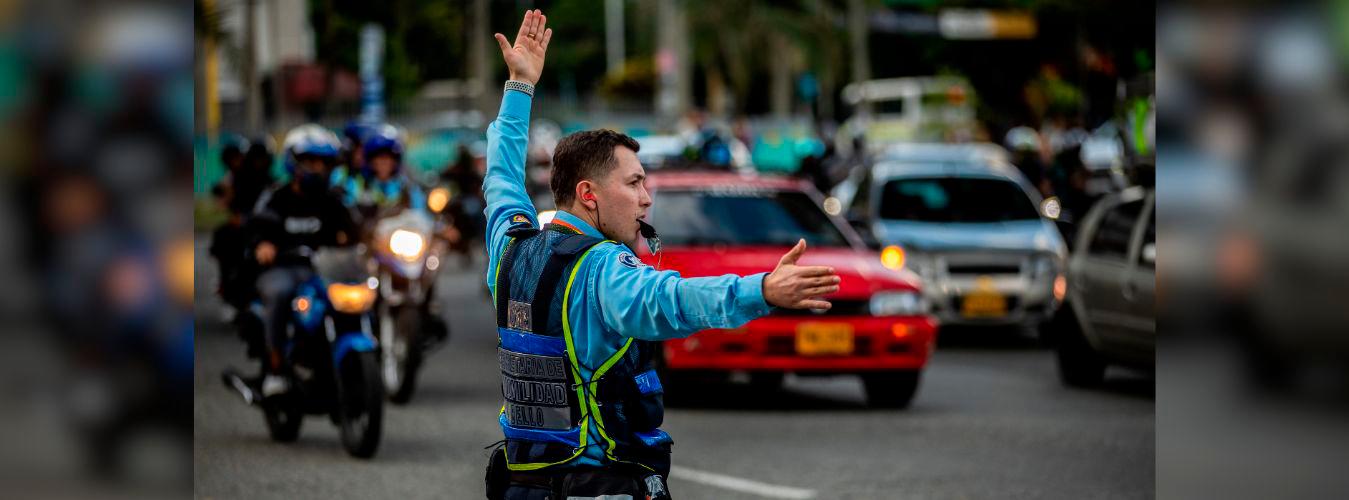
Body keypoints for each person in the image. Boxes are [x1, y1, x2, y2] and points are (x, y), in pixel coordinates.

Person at [481, 10, 840, 500]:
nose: (646, 199)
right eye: (634, 183)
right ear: (588, 194)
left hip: (521, 487)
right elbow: (671, 300)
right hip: (597, 486)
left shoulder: (510, 247)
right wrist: (762, 290)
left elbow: (501, 177)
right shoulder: (602, 267)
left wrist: (520, 87)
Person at [246, 124, 358, 397]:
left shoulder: (334, 200)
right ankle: (275, 370)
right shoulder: (276, 196)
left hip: (324, 271)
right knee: (280, 293)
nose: (317, 168)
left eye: (323, 162)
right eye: (310, 161)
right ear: (293, 162)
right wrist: (263, 244)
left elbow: (355, 230)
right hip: (283, 269)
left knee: (357, 295)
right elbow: (256, 227)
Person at [340, 123, 426, 218]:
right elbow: (348, 210)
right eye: (380, 158)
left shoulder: (406, 187)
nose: (384, 163)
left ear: (395, 162)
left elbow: (420, 212)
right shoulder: (358, 184)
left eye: (388, 158)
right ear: (371, 162)